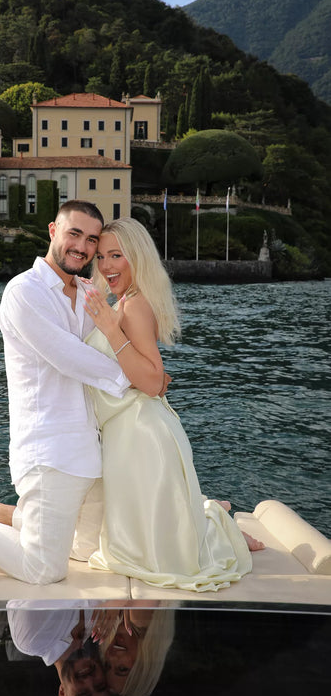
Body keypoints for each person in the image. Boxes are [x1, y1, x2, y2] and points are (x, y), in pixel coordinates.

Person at [0, 201, 132, 584]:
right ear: (52, 231)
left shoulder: (87, 292)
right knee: (44, 569)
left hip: (92, 448)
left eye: (92, 239)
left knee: (84, 549)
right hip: (50, 449)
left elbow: (112, 338)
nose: (82, 246)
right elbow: (70, 358)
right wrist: (136, 377)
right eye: (74, 233)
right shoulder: (23, 293)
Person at [82, 216, 263, 593]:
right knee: (143, 540)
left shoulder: (133, 307)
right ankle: (216, 516)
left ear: (138, 258)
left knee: (163, 558)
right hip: (127, 435)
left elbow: (150, 381)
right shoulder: (122, 302)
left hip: (142, 436)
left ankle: (221, 525)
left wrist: (110, 327)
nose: (106, 266)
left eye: (116, 255)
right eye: (100, 256)